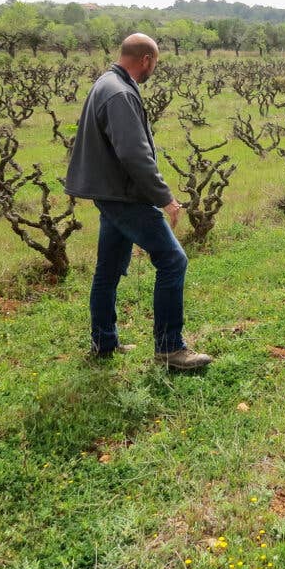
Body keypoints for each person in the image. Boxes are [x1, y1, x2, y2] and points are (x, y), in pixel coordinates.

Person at [65, 33, 213, 370]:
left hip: (109, 193)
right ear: (146, 59)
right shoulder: (119, 94)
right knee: (173, 261)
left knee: (109, 269)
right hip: (125, 195)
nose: (153, 70)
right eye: (154, 64)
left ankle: (104, 342)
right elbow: (135, 154)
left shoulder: (106, 82)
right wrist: (166, 199)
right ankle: (170, 349)